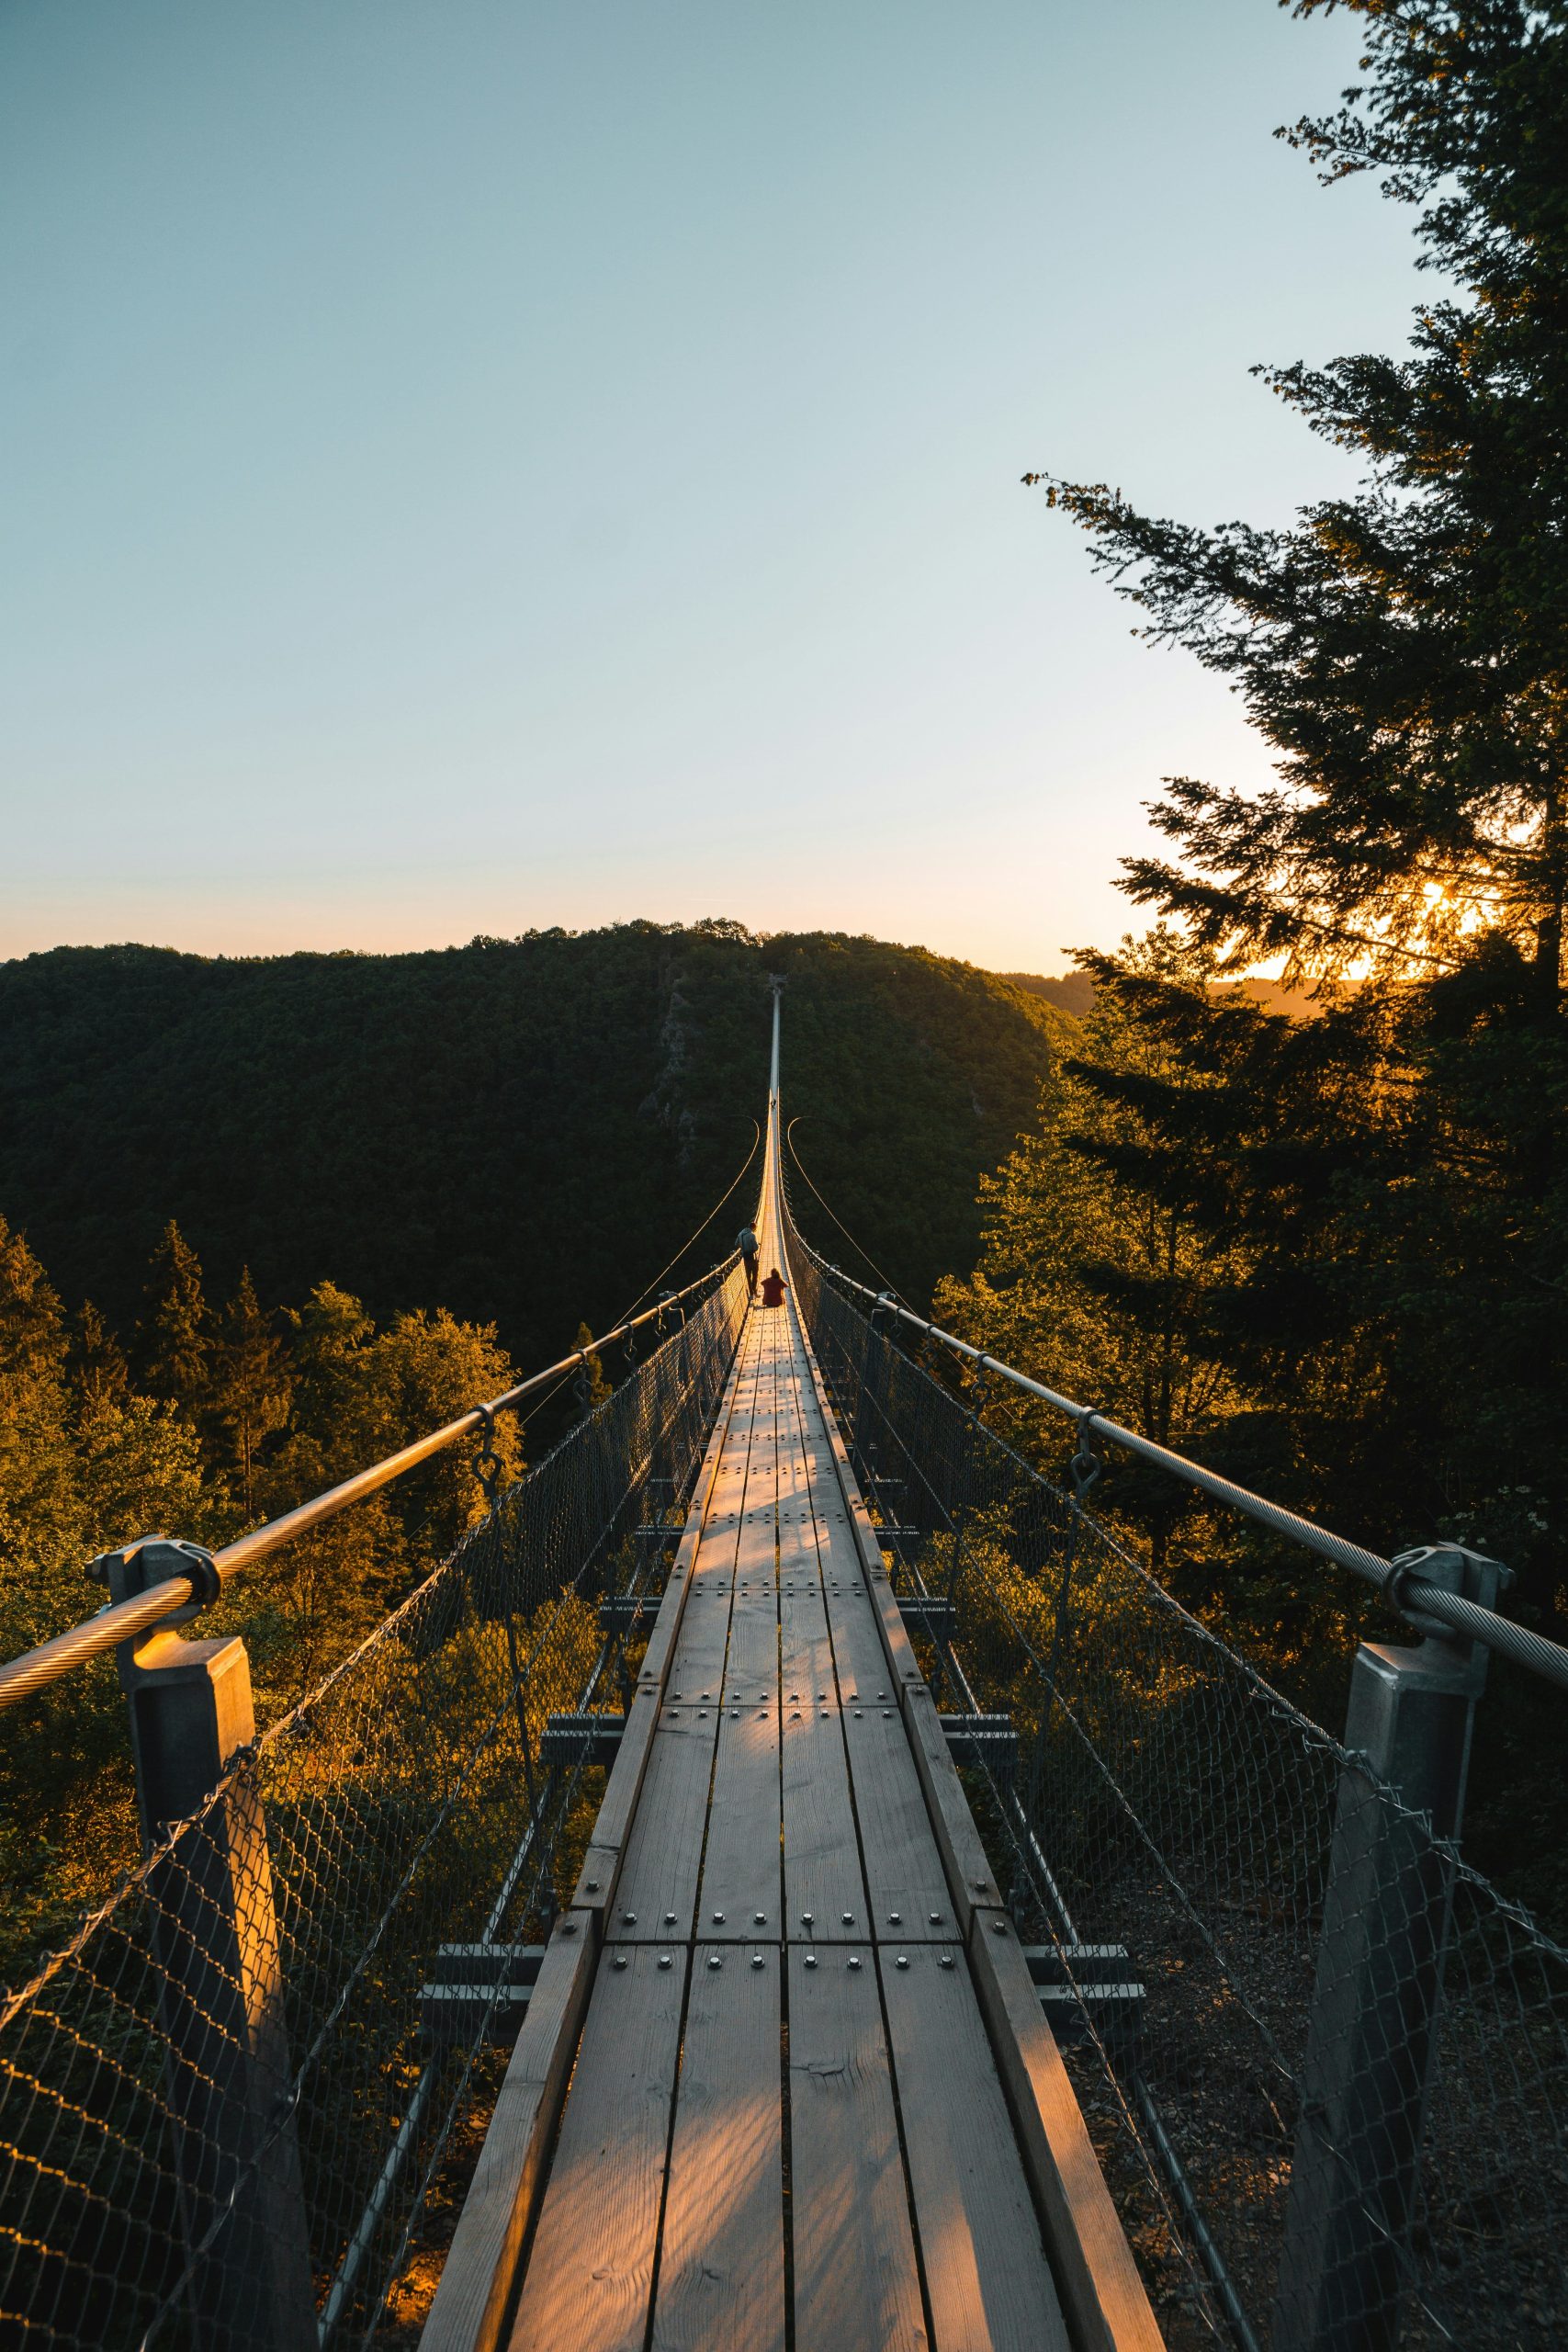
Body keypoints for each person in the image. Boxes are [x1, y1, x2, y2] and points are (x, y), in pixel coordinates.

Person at [737, 1225, 759, 1296]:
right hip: (752, 1258)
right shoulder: (752, 1235)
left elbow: (736, 1243)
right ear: (754, 1228)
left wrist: (743, 1247)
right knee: (755, 1275)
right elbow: (756, 1248)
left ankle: (751, 1294)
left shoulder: (740, 1234)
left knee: (748, 1276)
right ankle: (754, 1291)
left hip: (745, 1258)